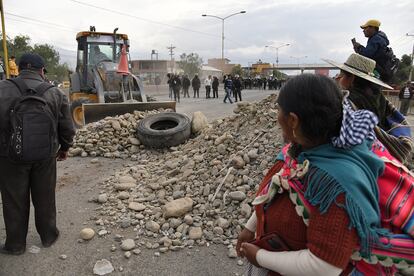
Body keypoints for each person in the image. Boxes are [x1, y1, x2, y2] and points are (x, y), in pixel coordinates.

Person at [237, 74, 394, 275]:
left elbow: (325, 266)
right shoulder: (305, 151)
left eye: (279, 109)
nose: (277, 117)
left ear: (293, 120)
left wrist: (259, 257)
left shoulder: (338, 186)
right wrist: (251, 226)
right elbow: (277, 188)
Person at [0, 53, 75, 255]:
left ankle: (15, 245)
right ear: (42, 71)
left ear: (20, 68)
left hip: (9, 157)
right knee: (45, 197)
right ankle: (49, 237)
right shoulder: (55, 93)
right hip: (45, 156)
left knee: (14, 200)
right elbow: (67, 127)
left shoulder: (2, 88)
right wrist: (65, 148)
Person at [325, 53, 414, 166]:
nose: (339, 78)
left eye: (342, 75)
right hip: (385, 152)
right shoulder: (379, 97)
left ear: (351, 78)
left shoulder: (348, 101)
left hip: (365, 156)